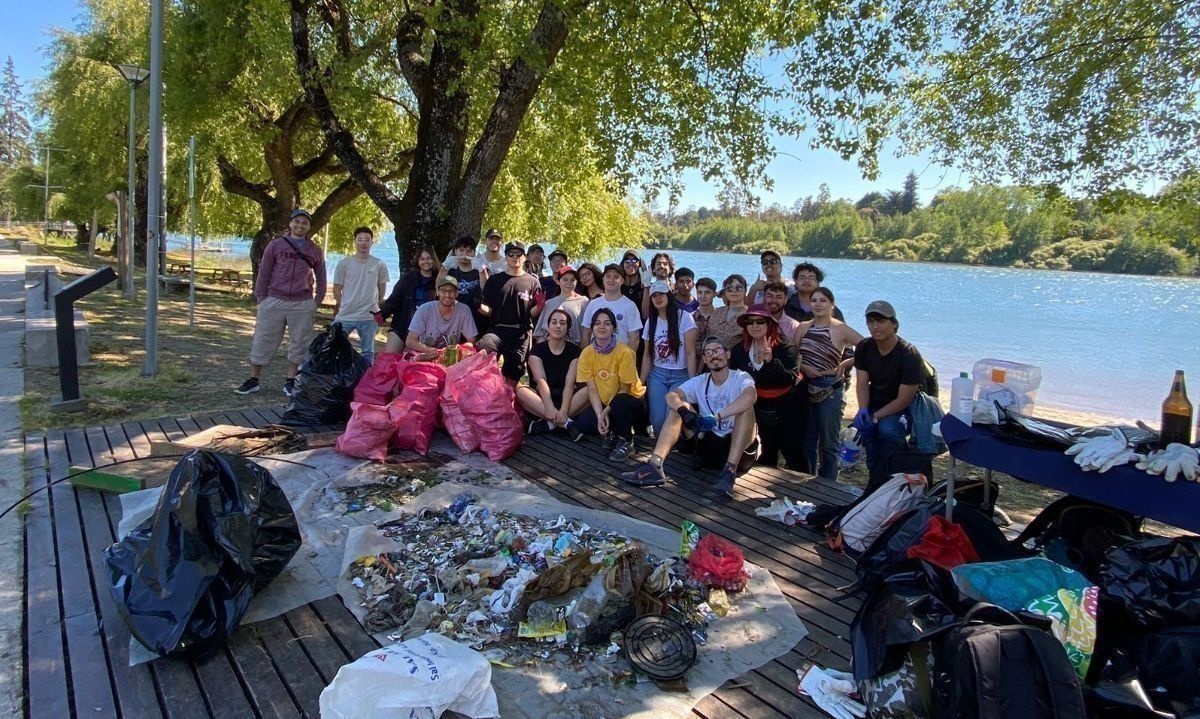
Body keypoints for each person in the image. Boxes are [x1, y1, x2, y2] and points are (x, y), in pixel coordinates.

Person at [621, 336, 760, 499]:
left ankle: (729, 473)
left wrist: (717, 418)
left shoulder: (741, 377)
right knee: (678, 407)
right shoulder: (700, 381)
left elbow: (750, 396)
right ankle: (655, 466)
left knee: (747, 410)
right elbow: (671, 395)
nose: (714, 355)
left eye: (718, 350)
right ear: (705, 360)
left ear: (727, 354)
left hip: (738, 449)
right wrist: (685, 412)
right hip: (707, 445)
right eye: (708, 353)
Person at [236, 208, 326, 396]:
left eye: (304, 223)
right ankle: (254, 379)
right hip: (274, 300)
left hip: (302, 303)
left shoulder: (314, 250)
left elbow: (321, 276)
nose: (300, 225)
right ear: (290, 223)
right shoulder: (275, 245)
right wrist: (261, 297)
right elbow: (264, 271)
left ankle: (290, 381)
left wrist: (316, 301)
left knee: (299, 343)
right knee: (263, 339)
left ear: (309, 227)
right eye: (297, 221)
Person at [852, 300, 924, 490]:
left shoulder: (908, 354)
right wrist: (864, 410)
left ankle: (897, 476)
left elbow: (904, 399)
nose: (875, 327)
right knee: (866, 433)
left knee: (887, 429)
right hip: (875, 404)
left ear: (894, 324)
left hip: (903, 410)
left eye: (881, 321)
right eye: (871, 322)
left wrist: (875, 417)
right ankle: (876, 480)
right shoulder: (864, 348)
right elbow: (861, 383)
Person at [796, 287, 864, 480]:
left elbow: (869, 348)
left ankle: (829, 484)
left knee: (829, 443)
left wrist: (847, 362)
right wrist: (805, 367)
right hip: (805, 387)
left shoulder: (839, 328)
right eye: (814, 300)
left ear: (832, 304)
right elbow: (793, 354)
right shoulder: (803, 327)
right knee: (808, 441)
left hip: (830, 389)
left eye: (823, 300)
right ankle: (808, 481)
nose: (818, 304)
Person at [729, 304, 801, 469]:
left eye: (760, 321)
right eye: (750, 322)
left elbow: (790, 378)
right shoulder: (739, 349)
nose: (754, 326)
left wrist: (770, 360)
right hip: (756, 407)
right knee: (764, 454)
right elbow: (734, 379)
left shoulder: (786, 347)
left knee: (793, 452)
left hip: (787, 407)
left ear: (769, 324)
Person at [575, 308, 648, 461]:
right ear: (592, 328)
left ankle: (626, 440)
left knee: (620, 403)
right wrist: (599, 415)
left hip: (631, 402)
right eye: (597, 323)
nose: (602, 327)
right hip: (606, 402)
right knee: (585, 424)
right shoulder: (587, 353)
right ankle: (613, 430)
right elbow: (592, 389)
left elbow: (624, 390)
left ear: (614, 328)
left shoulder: (625, 352)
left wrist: (605, 412)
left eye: (607, 324)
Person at [517, 308, 587, 440]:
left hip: (568, 399)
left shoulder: (575, 351)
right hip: (543, 399)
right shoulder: (537, 350)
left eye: (562, 323)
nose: (558, 326)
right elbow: (540, 380)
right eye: (554, 322)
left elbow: (570, 382)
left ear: (568, 328)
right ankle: (566, 423)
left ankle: (550, 424)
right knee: (521, 391)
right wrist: (549, 407)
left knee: (590, 389)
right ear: (548, 327)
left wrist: (564, 410)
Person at [477, 241, 542, 383]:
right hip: (496, 330)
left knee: (514, 374)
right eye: (511, 254)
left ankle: (509, 401)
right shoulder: (494, 280)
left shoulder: (533, 282)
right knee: (483, 353)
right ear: (505, 257)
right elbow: (488, 310)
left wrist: (540, 306)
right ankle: (486, 395)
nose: (515, 257)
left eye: (519, 254)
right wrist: (478, 305)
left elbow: (532, 313)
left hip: (520, 333)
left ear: (525, 257)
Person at [640, 280, 698, 435]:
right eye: (654, 296)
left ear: (669, 296)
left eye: (662, 294)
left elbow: (691, 352)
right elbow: (647, 355)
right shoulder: (651, 322)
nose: (658, 298)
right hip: (657, 375)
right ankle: (665, 448)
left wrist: (692, 382)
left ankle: (670, 450)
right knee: (658, 421)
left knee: (670, 418)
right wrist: (640, 382)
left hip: (680, 375)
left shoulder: (685, 318)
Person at [331, 226, 389, 365]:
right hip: (345, 315)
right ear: (355, 241)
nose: (363, 243)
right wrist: (343, 303)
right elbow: (336, 290)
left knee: (368, 351)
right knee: (333, 346)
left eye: (367, 240)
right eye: (360, 239)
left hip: (368, 316)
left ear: (371, 242)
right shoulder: (344, 263)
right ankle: (334, 378)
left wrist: (378, 304)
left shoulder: (379, 264)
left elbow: (382, 289)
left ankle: (365, 381)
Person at [378, 246, 439, 353]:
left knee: (417, 362)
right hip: (403, 323)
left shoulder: (439, 280)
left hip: (426, 329)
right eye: (422, 259)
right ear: (417, 261)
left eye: (429, 258)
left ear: (434, 260)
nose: (426, 261)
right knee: (390, 356)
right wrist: (381, 315)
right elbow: (394, 300)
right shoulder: (407, 278)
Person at [405, 275, 479, 354]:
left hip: (452, 356)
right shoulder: (424, 309)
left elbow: (472, 341)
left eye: (451, 291)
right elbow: (410, 341)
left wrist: (461, 350)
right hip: (426, 354)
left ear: (457, 293)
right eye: (443, 290)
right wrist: (432, 351)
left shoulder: (464, 310)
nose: (447, 294)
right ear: (437, 292)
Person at [580, 263, 643, 346]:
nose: (611, 280)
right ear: (603, 279)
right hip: (595, 356)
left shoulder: (630, 306)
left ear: (622, 281)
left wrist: (628, 358)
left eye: (616, 277)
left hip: (620, 357)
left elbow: (634, 338)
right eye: (608, 276)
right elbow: (586, 333)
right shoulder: (593, 304)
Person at [533, 265, 588, 344]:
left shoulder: (583, 301)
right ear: (558, 281)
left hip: (575, 349)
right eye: (565, 279)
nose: (569, 283)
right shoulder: (549, 303)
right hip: (551, 349)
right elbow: (541, 333)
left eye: (572, 280)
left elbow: (586, 330)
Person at [446, 235, 487, 333]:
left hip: (477, 320)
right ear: (455, 252)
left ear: (474, 253)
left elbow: (486, 290)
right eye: (461, 250)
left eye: (469, 251)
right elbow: (440, 290)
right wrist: (444, 266)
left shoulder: (479, 271)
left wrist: (482, 271)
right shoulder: (451, 271)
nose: (465, 254)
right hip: (454, 319)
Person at [704, 274, 749, 349]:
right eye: (729, 288)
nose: (734, 290)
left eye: (739, 288)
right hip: (712, 357)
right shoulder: (717, 312)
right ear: (725, 292)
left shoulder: (749, 315)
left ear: (745, 291)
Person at [691, 277, 718, 366]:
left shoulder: (720, 317)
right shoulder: (690, 318)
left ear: (714, 294)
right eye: (699, 292)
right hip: (693, 363)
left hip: (716, 362)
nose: (703, 296)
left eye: (707, 292)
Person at [640, 252, 675, 318]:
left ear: (670, 269)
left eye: (665, 264)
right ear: (653, 269)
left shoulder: (676, 288)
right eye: (658, 264)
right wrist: (646, 286)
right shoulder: (649, 288)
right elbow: (645, 315)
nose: (662, 266)